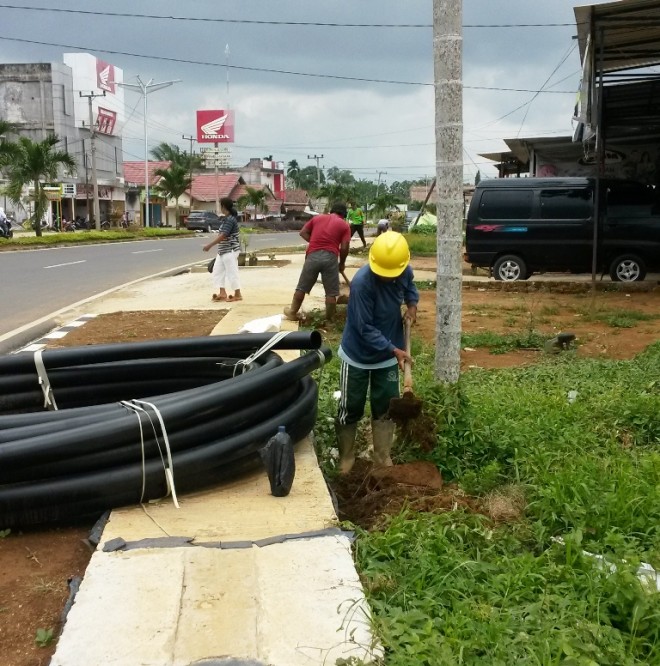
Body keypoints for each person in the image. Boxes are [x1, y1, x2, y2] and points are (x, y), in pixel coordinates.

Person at [335, 231, 419, 474]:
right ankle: (347, 458)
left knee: (385, 407)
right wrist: (394, 349)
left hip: (387, 356)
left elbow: (410, 288)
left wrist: (412, 306)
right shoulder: (362, 284)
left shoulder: (403, 269)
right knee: (350, 407)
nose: (386, 276)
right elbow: (363, 328)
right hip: (357, 356)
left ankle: (382, 458)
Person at [284, 201, 350, 321]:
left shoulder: (317, 218)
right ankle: (329, 320)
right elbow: (344, 248)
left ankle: (292, 312)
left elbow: (303, 232)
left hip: (312, 256)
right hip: (330, 258)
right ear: (344, 214)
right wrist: (342, 263)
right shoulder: (345, 225)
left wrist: (315, 243)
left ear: (331, 211)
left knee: (302, 287)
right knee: (331, 292)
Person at [203, 197, 243, 302]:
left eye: (221, 205)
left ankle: (238, 294)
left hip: (230, 250)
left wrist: (209, 245)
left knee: (232, 271)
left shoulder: (230, 220)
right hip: (222, 250)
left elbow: (223, 235)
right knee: (217, 271)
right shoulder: (226, 219)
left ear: (223, 206)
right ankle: (222, 293)